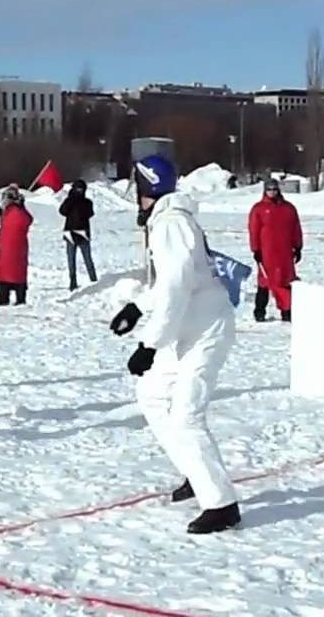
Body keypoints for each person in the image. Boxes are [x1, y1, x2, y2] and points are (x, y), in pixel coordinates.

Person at [108, 155, 240, 534]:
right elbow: (171, 282)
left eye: (138, 186)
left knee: (186, 415)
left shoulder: (171, 223)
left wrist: (149, 344)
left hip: (205, 330)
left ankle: (221, 504)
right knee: (151, 394)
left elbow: (176, 287)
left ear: (148, 186)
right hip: (186, 327)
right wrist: (137, 306)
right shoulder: (168, 221)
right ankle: (196, 473)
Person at [248, 177, 302, 322]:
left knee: (285, 280)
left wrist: (298, 246)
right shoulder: (258, 209)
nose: (272, 192)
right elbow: (254, 230)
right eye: (269, 189)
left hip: (284, 252)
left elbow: (295, 228)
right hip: (267, 252)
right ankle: (260, 311)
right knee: (265, 281)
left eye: (274, 189)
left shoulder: (288, 208)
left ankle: (287, 311)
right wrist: (256, 250)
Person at [0, 184, 33, 305]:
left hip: (10, 247)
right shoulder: (13, 212)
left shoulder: (13, 212)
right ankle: (18, 298)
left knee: (6, 273)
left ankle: (5, 298)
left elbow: (20, 222)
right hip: (15, 247)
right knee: (16, 273)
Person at [59, 180, 98, 291]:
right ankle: (73, 281)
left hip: (82, 232)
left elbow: (90, 213)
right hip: (71, 232)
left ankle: (94, 280)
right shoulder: (69, 201)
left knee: (87, 259)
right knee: (71, 260)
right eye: (77, 189)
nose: (79, 191)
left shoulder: (87, 202)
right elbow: (62, 211)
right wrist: (71, 200)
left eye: (81, 189)